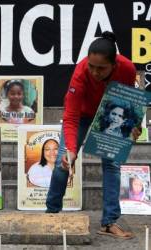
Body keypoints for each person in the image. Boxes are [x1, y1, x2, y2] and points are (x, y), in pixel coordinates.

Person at [45, 31, 141, 239]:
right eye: (92, 66)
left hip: (109, 114)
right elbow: (70, 117)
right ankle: (51, 215)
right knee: (64, 161)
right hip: (81, 114)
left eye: (101, 68)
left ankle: (109, 222)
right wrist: (71, 150)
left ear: (114, 65)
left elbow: (130, 101)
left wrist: (135, 123)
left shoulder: (127, 69)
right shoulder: (80, 73)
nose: (95, 72)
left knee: (112, 164)